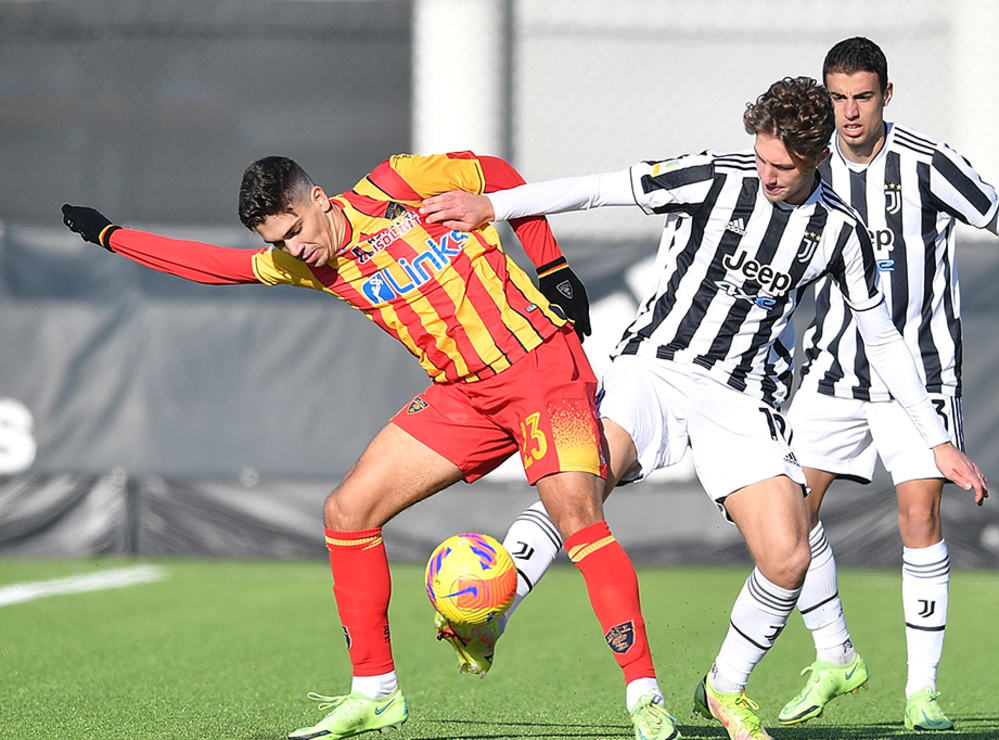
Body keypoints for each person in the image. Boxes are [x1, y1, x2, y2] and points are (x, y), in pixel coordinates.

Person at [420, 77, 987, 740]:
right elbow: (599, 186)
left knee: (788, 557)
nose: (767, 174)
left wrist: (936, 438)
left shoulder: (841, 231)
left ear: (815, 158)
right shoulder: (709, 176)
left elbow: (883, 338)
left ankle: (726, 685)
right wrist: (492, 205)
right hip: (653, 370)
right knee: (580, 484)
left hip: (743, 398)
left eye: (783, 166)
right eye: (762, 157)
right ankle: (494, 612)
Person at [59, 150, 684, 740]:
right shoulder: (307, 265)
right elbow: (215, 267)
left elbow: (493, 170)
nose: (293, 248)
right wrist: (111, 235)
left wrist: (551, 266)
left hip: (547, 373)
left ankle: (644, 697)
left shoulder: (399, 183)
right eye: (277, 242)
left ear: (320, 199)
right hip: (464, 399)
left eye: (296, 228)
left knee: (577, 519)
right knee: (346, 513)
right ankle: (376, 691)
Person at [773, 37, 999, 732]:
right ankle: (835, 654)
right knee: (787, 516)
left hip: (921, 376)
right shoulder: (809, 169)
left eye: (862, 96)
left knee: (919, 518)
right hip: (834, 371)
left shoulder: (929, 165)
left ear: (887, 96)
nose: (849, 112)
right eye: (838, 97)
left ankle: (922, 692)